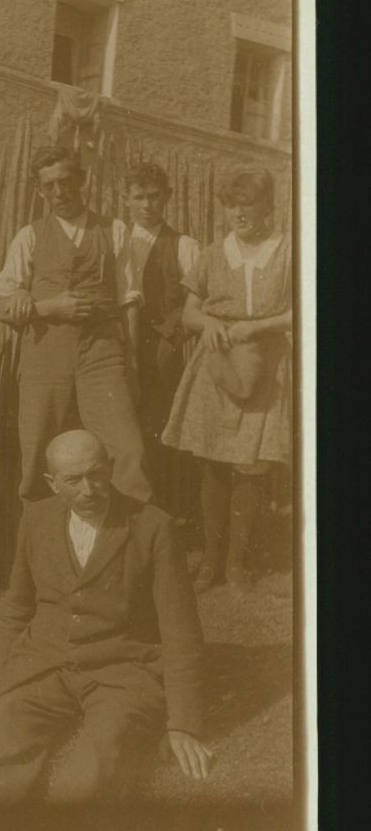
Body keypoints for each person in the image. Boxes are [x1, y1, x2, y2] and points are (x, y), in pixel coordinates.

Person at [0, 430, 211, 802]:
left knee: (92, 774)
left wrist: (184, 723)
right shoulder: (36, 520)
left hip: (120, 674)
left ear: (112, 468)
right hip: (45, 666)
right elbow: (19, 607)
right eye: (73, 480)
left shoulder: (153, 527)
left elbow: (180, 631)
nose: (88, 490)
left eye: (96, 474)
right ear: (52, 483)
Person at [0, 146, 152, 506]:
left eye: (66, 181)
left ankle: (129, 545)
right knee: (36, 451)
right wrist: (46, 307)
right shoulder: (29, 236)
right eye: (49, 186)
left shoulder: (114, 230)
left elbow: (129, 299)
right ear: (39, 191)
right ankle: (38, 545)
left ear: (82, 181)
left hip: (102, 353)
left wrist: (132, 359)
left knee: (127, 451)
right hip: (46, 355)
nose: (59, 192)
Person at [161, 168, 292, 595]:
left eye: (247, 203)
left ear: (268, 206)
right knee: (213, 465)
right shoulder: (214, 254)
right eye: (232, 205)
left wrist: (258, 328)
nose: (238, 213)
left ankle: (236, 565)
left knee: (251, 467)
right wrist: (209, 323)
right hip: (217, 364)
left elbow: (305, 309)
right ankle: (210, 563)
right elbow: (189, 312)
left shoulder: (290, 252)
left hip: (266, 365)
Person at [118, 161, 201, 514]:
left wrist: (172, 339)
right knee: (120, 428)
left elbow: (198, 301)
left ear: (166, 197)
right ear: (126, 199)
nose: (147, 205)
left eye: (154, 197)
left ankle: (160, 513)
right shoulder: (114, 238)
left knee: (156, 427)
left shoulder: (184, 245)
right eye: (139, 197)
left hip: (161, 351)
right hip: (113, 345)